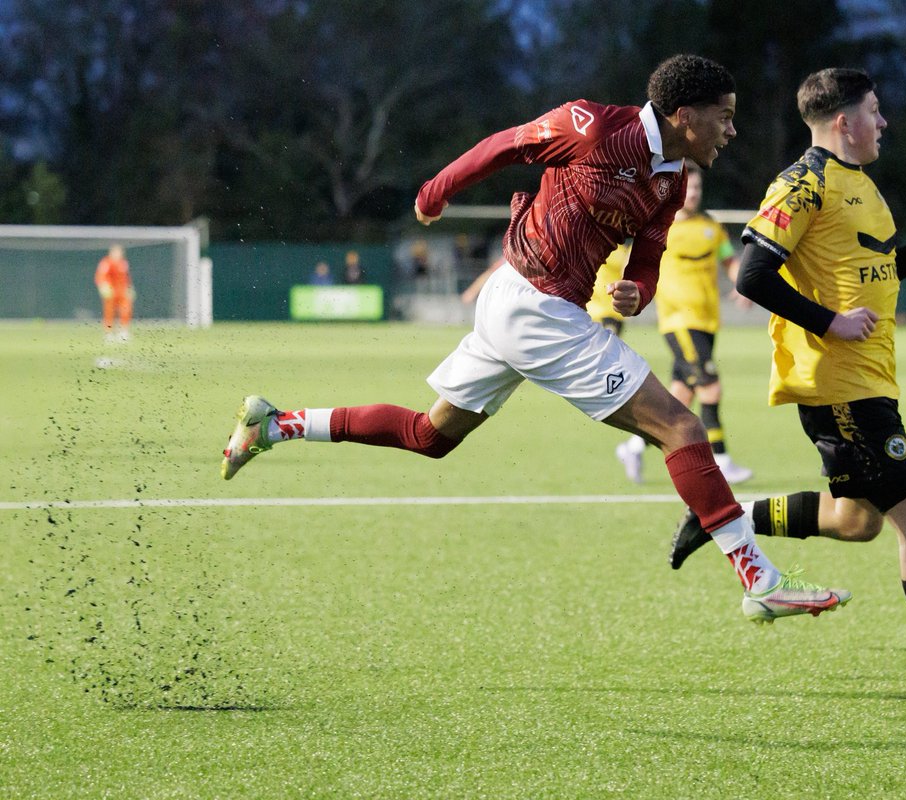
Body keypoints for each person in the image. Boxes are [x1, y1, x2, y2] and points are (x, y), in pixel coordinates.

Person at [221, 55, 850, 624]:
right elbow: (506, 145)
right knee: (681, 429)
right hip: (534, 306)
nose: (732, 130)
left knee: (429, 436)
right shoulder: (595, 127)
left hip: (523, 305)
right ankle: (758, 578)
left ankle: (277, 424)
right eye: (725, 117)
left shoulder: (673, 181)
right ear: (685, 115)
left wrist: (638, 288)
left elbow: (650, 254)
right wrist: (436, 191)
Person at [668, 68, 906, 706]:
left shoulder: (859, 186)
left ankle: (719, 518)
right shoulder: (801, 183)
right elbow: (753, 276)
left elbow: (870, 273)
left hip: (869, 380)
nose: (883, 121)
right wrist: (830, 323)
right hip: (840, 387)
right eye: (875, 110)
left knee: (857, 520)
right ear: (845, 121)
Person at [615, 166, 753, 486]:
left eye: (697, 187)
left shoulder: (711, 228)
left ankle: (633, 447)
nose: (693, 193)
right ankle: (721, 458)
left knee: (681, 393)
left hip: (707, 320)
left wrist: (742, 284)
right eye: (688, 188)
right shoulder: (659, 228)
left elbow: (729, 261)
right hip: (679, 319)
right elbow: (632, 265)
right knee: (710, 386)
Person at [95, 244, 135, 342]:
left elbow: (126, 277)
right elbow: (100, 276)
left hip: (122, 290)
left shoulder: (123, 263)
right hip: (111, 291)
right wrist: (103, 286)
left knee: (126, 310)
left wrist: (129, 288)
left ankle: (123, 332)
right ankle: (109, 333)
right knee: (109, 312)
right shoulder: (106, 262)